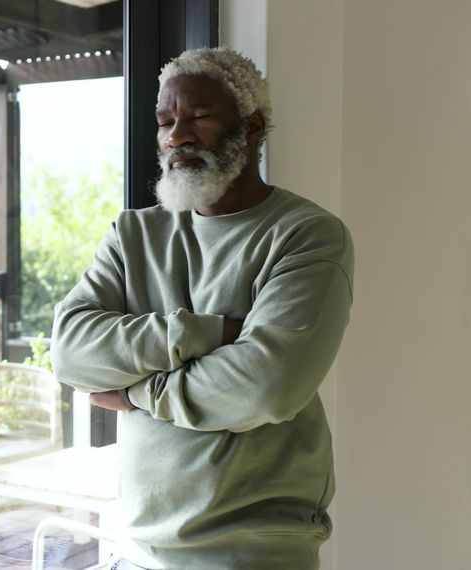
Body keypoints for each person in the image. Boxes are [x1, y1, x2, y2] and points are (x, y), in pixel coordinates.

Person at [51, 47, 353, 570]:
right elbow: (71, 351)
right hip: (137, 547)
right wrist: (206, 333)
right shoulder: (134, 233)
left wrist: (135, 392)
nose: (177, 136)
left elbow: (266, 386)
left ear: (253, 127)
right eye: (166, 121)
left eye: (199, 116)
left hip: (253, 554)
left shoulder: (306, 234)